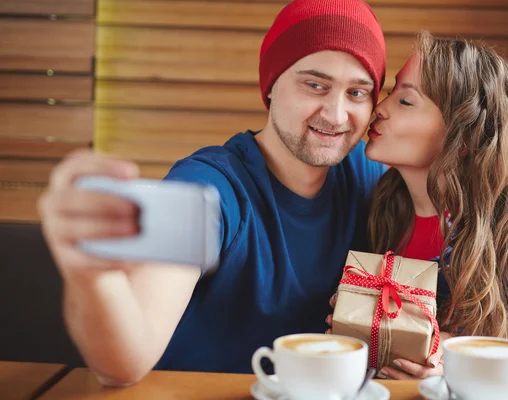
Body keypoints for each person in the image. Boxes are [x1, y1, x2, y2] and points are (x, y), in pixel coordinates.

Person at [37, 0, 387, 385]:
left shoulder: (370, 177)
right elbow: (123, 363)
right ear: (271, 87)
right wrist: (91, 276)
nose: (336, 115)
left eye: (357, 92)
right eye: (315, 85)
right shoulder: (207, 187)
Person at [362, 31, 508, 387]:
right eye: (390, 93)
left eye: (405, 101)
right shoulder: (381, 210)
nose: (379, 107)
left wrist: (459, 366)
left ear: (464, 138)